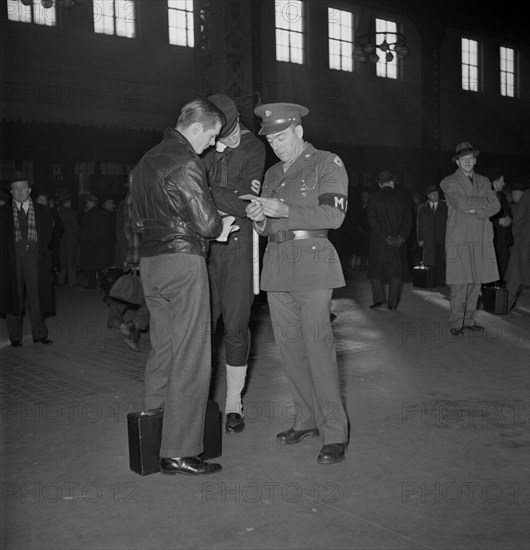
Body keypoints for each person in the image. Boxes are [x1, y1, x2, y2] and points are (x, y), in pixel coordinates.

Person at [129, 98, 228, 476]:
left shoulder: (145, 161)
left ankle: (150, 432)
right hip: (183, 262)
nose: (212, 145)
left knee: (164, 349)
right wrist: (222, 228)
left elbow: (134, 218)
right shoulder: (187, 162)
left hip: (151, 264)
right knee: (193, 354)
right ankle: (180, 451)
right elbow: (206, 224)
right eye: (213, 135)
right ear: (200, 126)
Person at [246, 102, 349, 465]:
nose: (277, 144)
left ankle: (334, 432)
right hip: (277, 267)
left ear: (299, 131)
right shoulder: (273, 172)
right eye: (271, 139)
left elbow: (334, 216)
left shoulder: (327, 163)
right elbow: (268, 225)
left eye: (282, 136)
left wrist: (283, 210)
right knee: (289, 353)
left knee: (318, 350)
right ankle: (305, 419)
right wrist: (259, 218)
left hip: (313, 265)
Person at [202, 94, 266, 434]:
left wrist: (206, 192)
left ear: (237, 121)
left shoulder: (254, 148)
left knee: (236, 325)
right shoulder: (206, 143)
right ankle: (201, 401)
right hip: (204, 246)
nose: (215, 140)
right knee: (202, 328)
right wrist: (223, 195)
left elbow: (247, 202)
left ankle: (233, 403)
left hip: (239, 247)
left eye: (222, 133)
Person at [440, 142, 500, 335]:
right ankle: (456, 323)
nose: (467, 162)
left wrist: (477, 210)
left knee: (476, 281)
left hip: (481, 235)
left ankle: (469, 320)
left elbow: (496, 206)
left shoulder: (484, 180)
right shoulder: (448, 182)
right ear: (457, 162)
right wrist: (484, 203)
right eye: (463, 160)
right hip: (459, 239)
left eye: (470, 159)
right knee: (460, 282)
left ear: (475, 160)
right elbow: (459, 202)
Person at [0, 177, 54, 346]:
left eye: (23, 188)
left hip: (35, 259)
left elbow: (49, 234)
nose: (20, 191)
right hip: (12, 261)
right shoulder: (3, 212)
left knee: (37, 297)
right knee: (13, 298)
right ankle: (15, 338)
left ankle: (40, 334)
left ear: (29, 190)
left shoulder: (42, 210)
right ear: (11, 192)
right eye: (16, 189)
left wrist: (39, 249)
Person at [366, 170, 412, 309]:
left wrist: (385, 236)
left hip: (379, 242)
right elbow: (408, 220)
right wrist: (401, 237)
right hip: (398, 243)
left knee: (375, 271)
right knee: (396, 273)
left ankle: (379, 299)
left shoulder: (373, 198)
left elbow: (372, 220)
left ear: (380, 184)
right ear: (392, 182)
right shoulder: (403, 198)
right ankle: (392, 303)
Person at [416, 184, 448, 286]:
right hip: (428, 238)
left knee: (442, 260)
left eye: (436, 193)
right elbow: (419, 224)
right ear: (428, 196)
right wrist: (420, 238)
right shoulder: (422, 208)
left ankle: (442, 280)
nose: (436, 195)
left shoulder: (445, 205)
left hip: (442, 237)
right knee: (430, 260)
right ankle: (431, 280)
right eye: (433, 194)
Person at [504, 184, 529, 311]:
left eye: (515, 193)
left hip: (523, 245)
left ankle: (505, 306)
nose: (513, 196)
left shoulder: (523, 201)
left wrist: (517, 239)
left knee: (515, 276)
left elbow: (518, 224)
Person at [488, 170, 513, 282]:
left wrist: (509, 219)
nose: (504, 184)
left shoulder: (502, 196)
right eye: (501, 181)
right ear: (494, 182)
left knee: (504, 267)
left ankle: (500, 290)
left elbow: (509, 212)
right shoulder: (486, 196)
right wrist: (498, 222)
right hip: (492, 239)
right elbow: (482, 217)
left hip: (503, 240)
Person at [57, 197, 80, 287]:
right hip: (71, 240)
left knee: (62, 261)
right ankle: (72, 281)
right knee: (71, 261)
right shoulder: (71, 213)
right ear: (66, 202)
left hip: (61, 241)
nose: (70, 204)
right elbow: (76, 227)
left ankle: (61, 281)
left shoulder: (58, 212)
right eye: (69, 202)